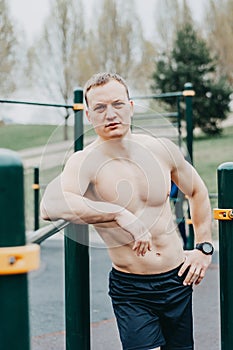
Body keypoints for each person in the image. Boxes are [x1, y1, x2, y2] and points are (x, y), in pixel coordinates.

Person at [40, 72, 213, 350]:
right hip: (132, 288)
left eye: (117, 104)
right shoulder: (84, 162)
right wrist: (119, 214)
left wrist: (203, 248)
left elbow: (197, 191)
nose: (110, 114)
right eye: (99, 108)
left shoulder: (160, 149)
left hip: (177, 279)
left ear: (130, 107)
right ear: (88, 115)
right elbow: (49, 206)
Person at [170, 181, 187, 249]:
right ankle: (185, 242)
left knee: (180, 217)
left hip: (177, 190)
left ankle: (186, 242)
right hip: (175, 190)